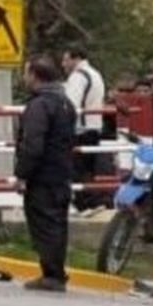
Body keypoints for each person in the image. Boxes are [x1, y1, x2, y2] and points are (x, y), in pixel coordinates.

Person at [17, 55, 77, 292]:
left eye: (26, 72)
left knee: (44, 225)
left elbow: (32, 144)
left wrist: (22, 174)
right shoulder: (65, 103)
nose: (24, 77)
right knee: (58, 223)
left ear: (35, 75)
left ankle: (52, 275)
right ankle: (56, 271)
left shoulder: (39, 105)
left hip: (43, 176)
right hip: (62, 173)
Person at [62, 47, 109, 195]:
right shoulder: (95, 74)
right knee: (88, 170)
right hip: (94, 126)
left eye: (66, 60)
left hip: (80, 129)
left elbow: (70, 104)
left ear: (76, 59)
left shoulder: (78, 76)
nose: (63, 64)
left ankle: (82, 202)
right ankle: (90, 201)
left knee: (76, 169)